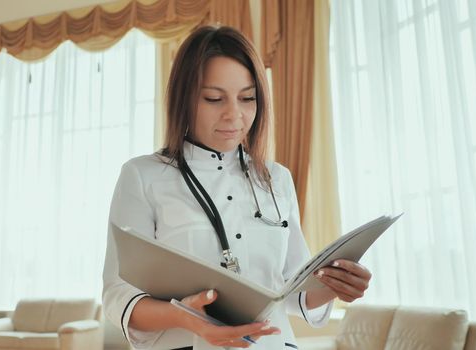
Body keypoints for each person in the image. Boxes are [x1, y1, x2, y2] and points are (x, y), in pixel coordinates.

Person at [102, 25, 372, 350]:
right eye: (214, 99)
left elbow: (291, 293)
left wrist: (335, 285)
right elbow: (117, 294)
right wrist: (185, 316)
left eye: (247, 98)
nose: (235, 115)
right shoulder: (142, 176)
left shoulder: (277, 179)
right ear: (183, 98)